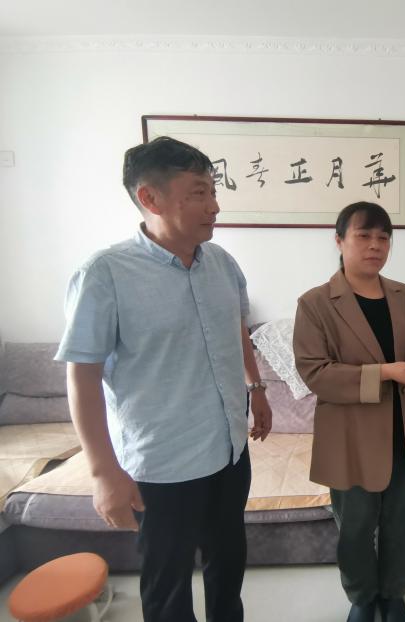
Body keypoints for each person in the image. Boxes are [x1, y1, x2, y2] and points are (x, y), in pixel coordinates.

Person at [55, 136, 272, 622]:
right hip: (162, 466)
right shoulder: (104, 274)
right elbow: (82, 377)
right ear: (149, 198)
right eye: (198, 193)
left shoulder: (223, 264)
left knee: (228, 568)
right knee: (167, 588)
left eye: (213, 191)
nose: (214, 206)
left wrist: (256, 388)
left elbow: (236, 328)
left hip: (229, 451)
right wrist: (103, 473)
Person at [293, 202, 405, 622]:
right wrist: (385, 372)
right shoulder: (316, 303)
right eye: (364, 236)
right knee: (355, 527)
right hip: (351, 435)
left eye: (383, 238)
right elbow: (315, 373)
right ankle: (361, 596)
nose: (375, 246)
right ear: (339, 241)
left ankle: (393, 593)